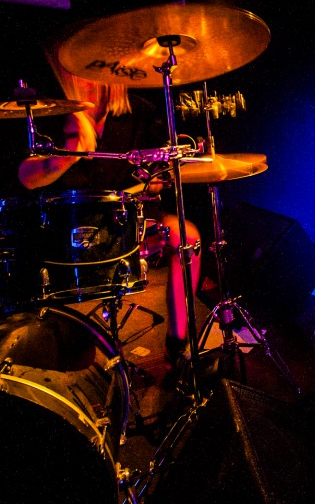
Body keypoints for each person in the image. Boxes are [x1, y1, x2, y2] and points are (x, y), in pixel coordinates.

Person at [18, 51, 201, 370]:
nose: (80, 80)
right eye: (71, 72)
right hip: (70, 233)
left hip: (128, 223)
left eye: (87, 70)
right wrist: (71, 152)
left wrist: (156, 181)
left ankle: (177, 345)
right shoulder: (50, 113)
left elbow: (160, 174)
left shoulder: (140, 113)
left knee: (187, 236)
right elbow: (27, 178)